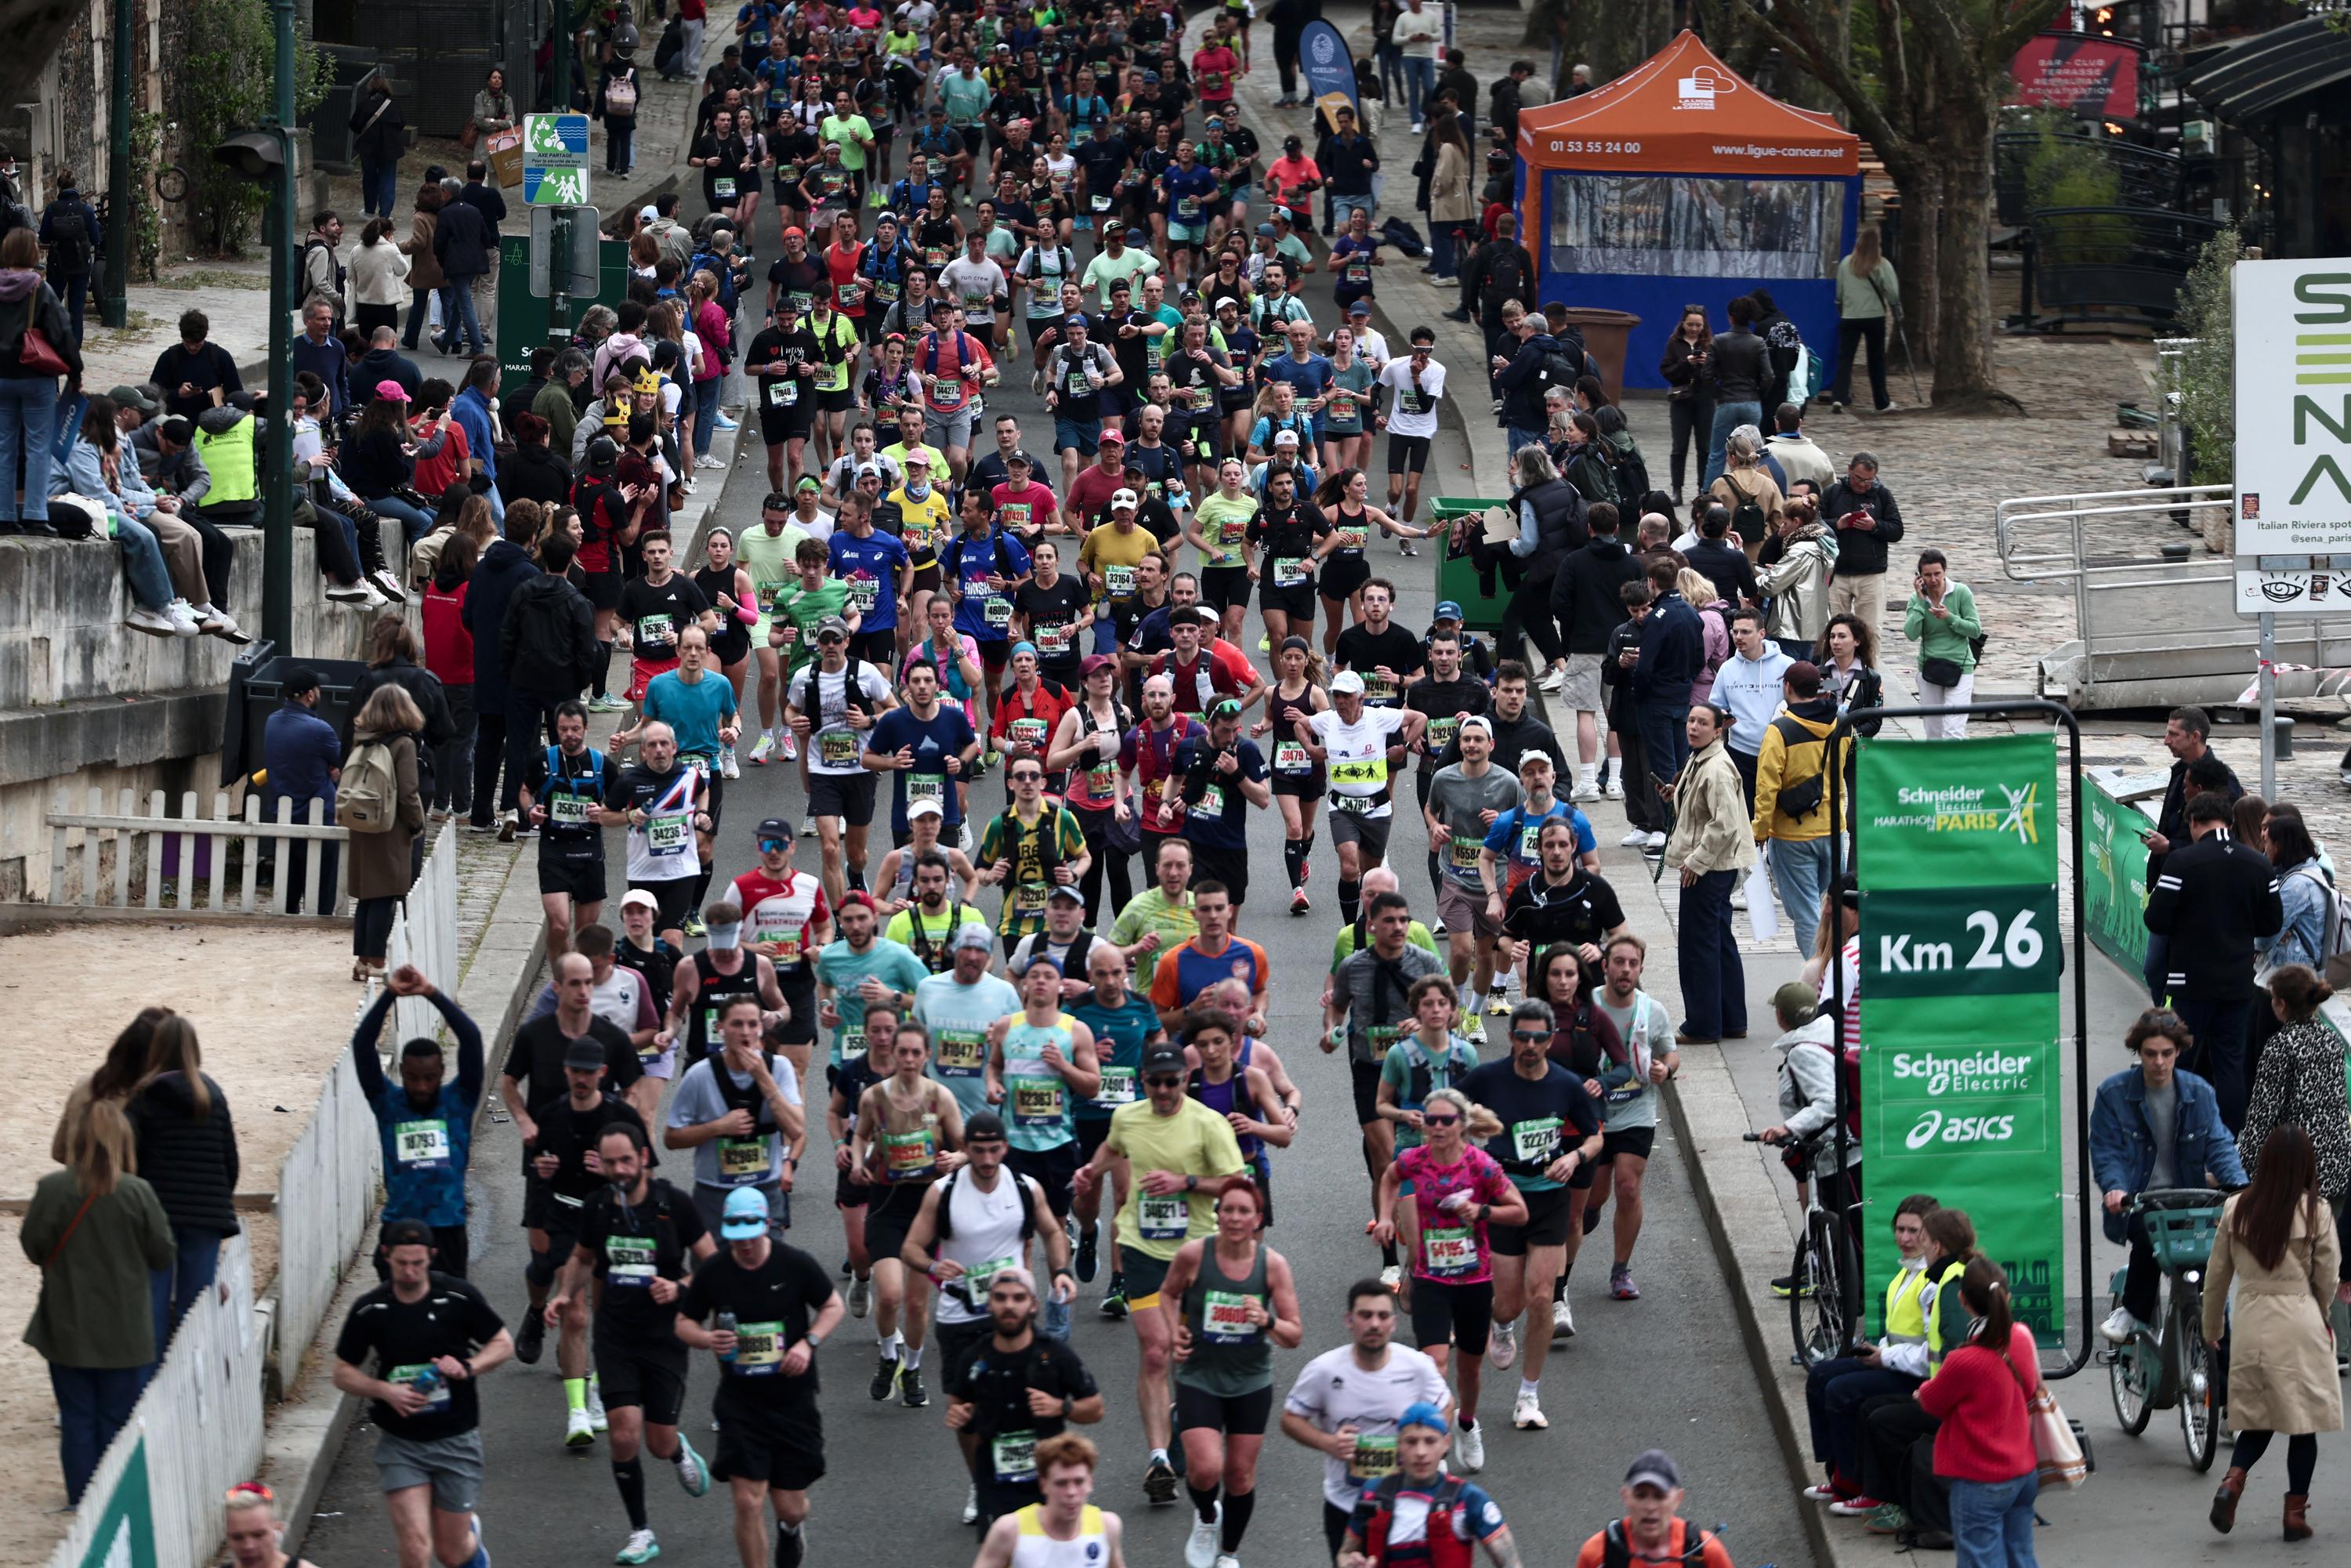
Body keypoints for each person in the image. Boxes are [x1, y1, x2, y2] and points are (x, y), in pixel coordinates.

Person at [1072, 1039, 1248, 1508]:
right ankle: (1159, 1460)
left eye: (1173, 1081)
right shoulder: (1127, 1117)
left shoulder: (1208, 1125)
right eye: (1156, 1082)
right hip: (1142, 1249)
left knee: (1188, 1355)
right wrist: (1091, 1172)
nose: (1165, 1090)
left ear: (1185, 1081)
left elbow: (1238, 1184)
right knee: (1156, 1352)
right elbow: (1113, 1148)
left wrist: (1185, 1183)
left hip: (1195, 1254)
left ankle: (1182, 1412)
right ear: (1142, 1082)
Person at [545, 1121, 715, 1563]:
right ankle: (641, 1532)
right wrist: (564, 1293)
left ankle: (677, 1452)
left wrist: (680, 1288)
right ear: (600, 1164)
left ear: (643, 1158)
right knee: (623, 1436)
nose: (619, 1169)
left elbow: (712, 1266)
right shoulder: (598, 1207)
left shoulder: (675, 1204)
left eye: (626, 1160)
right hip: (616, 1334)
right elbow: (583, 1257)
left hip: (664, 1337)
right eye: (610, 1162)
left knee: (658, 1442)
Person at [672, 1187, 845, 1568]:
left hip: (792, 1399)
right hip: (740, 1401)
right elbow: (684, 1322)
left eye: (752, 1236)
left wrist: (808, 1343)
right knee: (748, 1501)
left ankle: (791, 1530)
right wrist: (705, 1339)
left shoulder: (795, 1264)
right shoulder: (715, 1271)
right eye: (737, 1238)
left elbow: (833, 1304)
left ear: (766, 1226)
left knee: (791, 1507)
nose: (746, 1246)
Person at [331, 1219, 513, 1568]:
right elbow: (342, 1372)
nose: (411, 1272)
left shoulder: (457, 1297)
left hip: (456, 1439)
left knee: (451, 1552)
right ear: (386, 1256)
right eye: (402, 1264)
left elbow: (502, 1344)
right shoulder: (371, 1309)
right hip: (402, 1444)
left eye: (418, 1263)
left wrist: (468, 1368)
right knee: (415, 1546)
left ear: (432, 1256)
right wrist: (385, 1391)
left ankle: (469, 1540)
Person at [25, 1098, 176, 1501]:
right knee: (117, 1419)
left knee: (77, 1418)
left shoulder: (52, 1188)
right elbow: (163, 1252)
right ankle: (114, 1501)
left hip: (67, 1322)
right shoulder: (137, 1192)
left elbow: (34, 1246)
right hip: (125, 1328)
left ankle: (81, 1497)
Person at [2204, 1123, 2344, 1538]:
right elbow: (2328, 1275)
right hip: (2299, 1318)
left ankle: (2233, 1480)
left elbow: (2216, 1277)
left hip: (2250, 1319)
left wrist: (2213, 1327)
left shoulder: (2236, 1208)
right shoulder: (2315, 1211)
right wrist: (2320, 1315)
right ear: (2306, 1165)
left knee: (2259, 1418)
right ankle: (2295, 1515)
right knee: (2303, 1422)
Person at [1159, 1178, 1302, 1568]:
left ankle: (1229, 1554)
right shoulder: (1193, 1255)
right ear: (1217, 1214)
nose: (1235, 1218)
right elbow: (1168, 1294)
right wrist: (1174, 1331)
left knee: (1239, 1475)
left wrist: (1267, 1320)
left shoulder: (1272, 1265)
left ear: (1258, 1219)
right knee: (1206, 1470)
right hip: (1199, 1375)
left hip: (1251, 1380)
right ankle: (1207, 1516)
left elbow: (1294, 1334)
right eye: (1228, 1209)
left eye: (1244, 1211)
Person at [2092, 1008, 2250, 1342]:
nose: (2159, 1062)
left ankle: (2219, 1382)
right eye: (2151, 1054)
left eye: (2167, 1054)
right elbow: (2107, 1152)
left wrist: (2239, 1184)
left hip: (2190, 1200)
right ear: (2139, 1052)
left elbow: (2219, 1143)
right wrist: (2115, 1189)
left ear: (2179, 1051)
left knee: (2211, 1284)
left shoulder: (2200, 1092)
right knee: (2149, 1236)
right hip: (2139, 1201)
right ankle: (2133, 1309)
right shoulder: (2113, 1094)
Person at [2144, 790, 2284, 1131]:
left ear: (2193, 821)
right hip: (2237, 982)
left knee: (2178, 1060)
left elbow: (2156, 920)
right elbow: (2272, 924)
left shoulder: (2181, 862)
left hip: (2188, 982)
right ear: (2231, 823)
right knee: (2230, 1066)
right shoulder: (2259, 863)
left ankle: (2177, 1132)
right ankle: (2228, 1141)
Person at [942, 1260, 1103, 1530]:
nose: (1009, 1306)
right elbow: (958, 1401)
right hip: (995, 1479)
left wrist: (1061, 1407)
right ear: (989, 1304)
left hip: (1050, 1478)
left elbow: (1096, 1408)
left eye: (1018, 1298)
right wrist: (961, 1414)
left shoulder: (1054, 1355)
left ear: (1033, 1305)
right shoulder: (974, 1357)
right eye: (1000, 1298)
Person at [354, 966, 485, 1276]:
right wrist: (390, 994)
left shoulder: (459, 1102)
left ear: (442, 1072)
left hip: (448, 1227)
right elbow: (362, 1046)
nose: (422, 1087)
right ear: (402, 1072)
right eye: (413, 1078)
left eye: (429, 1078)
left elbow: (471, 1038)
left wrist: (432, 993)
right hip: (399, 1229)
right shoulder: (388, 1105)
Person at [1917, 1259, 2041, 1568]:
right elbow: (2028, 1390)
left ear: (1962, 1300)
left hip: (1980, 1481)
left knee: (1981, 1560)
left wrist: (1921, 1392)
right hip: (2024, 1472)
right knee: (2021, 1556)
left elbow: (1932, 1402)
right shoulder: (2022, 1337)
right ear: (2007, 1297)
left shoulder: (1965, 1359)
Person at [1660, 702, 1755, 1046]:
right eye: (1690, 720)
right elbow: (1705, 808)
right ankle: (1732, 1020)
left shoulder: (1716, 767)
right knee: (1719, 941)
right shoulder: (1701, 758)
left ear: (1718, 730)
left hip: (1709, 868)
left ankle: (1703, 1024)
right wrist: (1676, 796)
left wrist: (1696, 862)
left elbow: (1724, 823)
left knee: (1698, 947)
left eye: (1702, 723)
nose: (1693, 727)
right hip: (1717, 866)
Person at [1336, 1401, 1518, 1568]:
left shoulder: (1468, 1499)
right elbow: (1345, 1554)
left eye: (1430, 1441)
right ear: (1399, 1445)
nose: (1421, 1452)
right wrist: (1350, 1564)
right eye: (1411, 1442)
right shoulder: (1372, 1493)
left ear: (1446, 1444)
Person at [2238, 966, 2351, 1215]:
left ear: (2280, 1004)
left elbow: (2262, 1114)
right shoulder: (2331, 1039)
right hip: (2336, 1166)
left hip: (2294, 1172)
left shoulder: (2280, 1046)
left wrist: (2241, 1166)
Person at [346, 683, 428, 982]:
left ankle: (362, 960)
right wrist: (417, 824)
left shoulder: (362, 739)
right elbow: (408, 792)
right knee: (386, 895)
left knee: (368, 896)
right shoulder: (404, 744)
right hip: (390, 826)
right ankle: (378, 962)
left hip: (363, 821)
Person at [969, 1433, 1128, 1568]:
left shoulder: (1107, 1527)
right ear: (1043, 1484)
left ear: (1090, 1483)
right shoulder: (1009, 1531)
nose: (1071, 1492)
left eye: (1079, 1482)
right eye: (1061, 1483)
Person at [1572, 1450, 1733, 1568]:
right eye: (1640, 1495)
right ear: (1625, 1496)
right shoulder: (1597, 1554)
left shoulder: (1706, 1553)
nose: (1650, 1507)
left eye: (1659, 1496)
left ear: (1678, 1499)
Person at [1901, 548, 1980, 731]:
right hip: (1929, 666)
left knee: (1954, 729)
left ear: (1945, 572)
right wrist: (1921, 602)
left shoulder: (1961, 593)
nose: (1933, 580)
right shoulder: (1916, 599)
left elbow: (1975, 630)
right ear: (1919, 577)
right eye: (1927, 575)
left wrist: (1950, 617)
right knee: (1933, 730)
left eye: (1938, 574)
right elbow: (1911, 634)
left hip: (1960, 666)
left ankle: (1953, 760)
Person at [1831, 224, 1900, 414]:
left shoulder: (1846, 263)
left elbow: (1840, 292)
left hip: (1850, 315)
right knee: (1876, 360)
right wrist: (1895, 306)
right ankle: (1881, 401)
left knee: (1845, 358)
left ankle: (1838, 397)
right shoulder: (1882, 264)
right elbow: (1893, 292)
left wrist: (1842, 306)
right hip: (1874, 315)